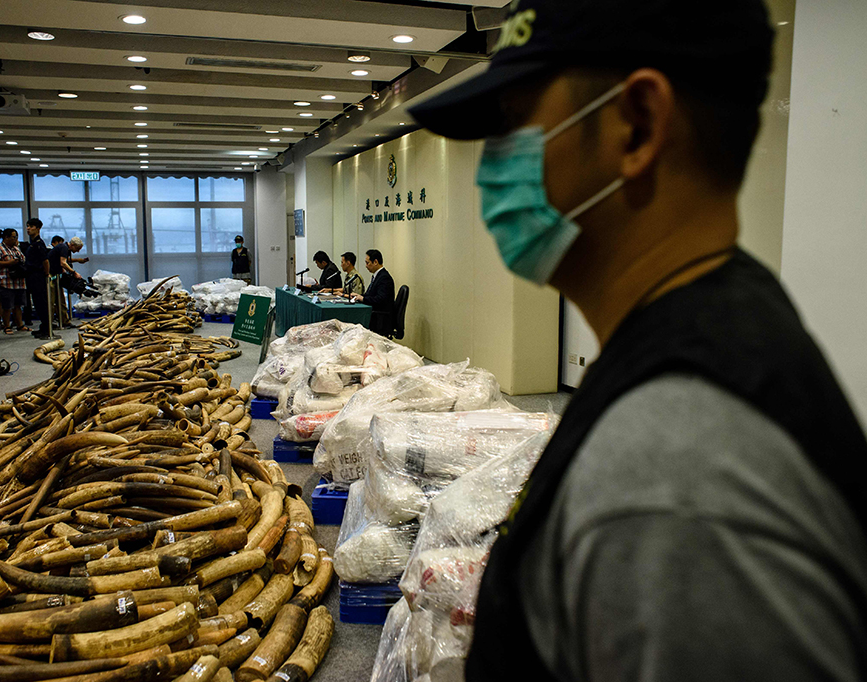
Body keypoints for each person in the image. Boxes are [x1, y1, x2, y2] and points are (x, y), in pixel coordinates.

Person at [410, 1, 867, 680]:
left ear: (637, 126)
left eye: (515, 123)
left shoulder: (675, 472)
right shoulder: (710, 337)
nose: (490, 166)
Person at [0, 228, 29, 334]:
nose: (15, 239)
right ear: (6, 237)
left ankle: (20, 324)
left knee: (18, 305)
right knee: (7, 306)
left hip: (19, 281)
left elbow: (23, 259)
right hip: (6, 282)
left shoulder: (16, 249)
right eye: (13, 237)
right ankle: (7, 326)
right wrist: (9, 263)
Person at [352, 249, 394, 337]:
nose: (366, 266)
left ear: (375, 262)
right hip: (375, 314)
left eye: (367, 263)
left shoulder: (384, 278)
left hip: (380, 318)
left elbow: (381, 300)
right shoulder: (377, 276)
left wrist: (363, 298)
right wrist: (359, 296)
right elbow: (370, 295)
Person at [23, 218, 51, 339]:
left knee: (41, 303)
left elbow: (45, 261)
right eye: (28, 226)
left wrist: (46, 274)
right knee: (38, 303)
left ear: (38, 228)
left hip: (38, 276)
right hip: (32, 276)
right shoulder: (33, 243)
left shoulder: (39, 244)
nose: (29, 228)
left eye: (32, 226)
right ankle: (43, 326)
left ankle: (47, 328)